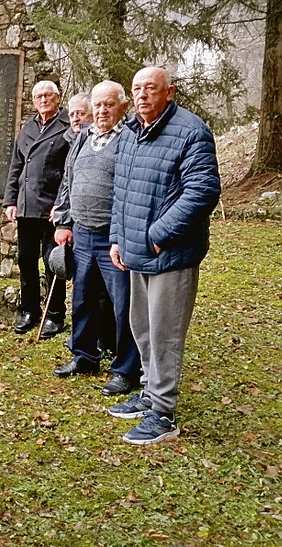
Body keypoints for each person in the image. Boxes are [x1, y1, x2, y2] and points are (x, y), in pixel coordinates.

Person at [108, 67, 221, 445]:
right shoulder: (129, 132)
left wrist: (157, 236)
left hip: (170, 254)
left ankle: (163, 412)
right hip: (135, 250)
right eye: (137, 89)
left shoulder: (191, 131)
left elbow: (202, 192)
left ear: (168, 92)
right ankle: (148, 391)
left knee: (165, 334)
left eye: (150, 89)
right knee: (142, 327)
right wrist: (117, 237)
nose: (142, 95)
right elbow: (120, 192)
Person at [52, 81, 141, 396]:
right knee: (83, 299)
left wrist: (121, 234)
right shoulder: (82, 138)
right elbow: (68, 180)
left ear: (122, 107)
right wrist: (63, 220)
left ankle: (126, 369)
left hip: (113, 237)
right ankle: (85, 356)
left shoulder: (130, 140)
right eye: (98, 105)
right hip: (82, 234)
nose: (102, 111)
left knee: (123, 305)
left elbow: (132, 190)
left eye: (109, 105)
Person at [3, 80, 71, 337]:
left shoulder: (66, 127)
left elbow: (68, 172)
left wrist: (62, 205)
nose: (43, 100)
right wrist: (11, 200)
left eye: (47, 95)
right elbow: (15, 167)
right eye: (38, 96)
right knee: (26, 260)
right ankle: (29, 310)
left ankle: (55, 315)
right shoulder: (26, 129)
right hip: (26, 206)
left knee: (52, 261)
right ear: (33, 101)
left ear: (57, 97)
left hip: (52, 207)